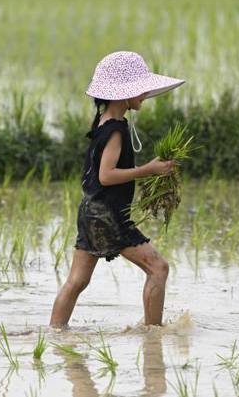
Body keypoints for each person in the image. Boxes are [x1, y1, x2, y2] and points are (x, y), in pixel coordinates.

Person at [50, 51, 184, 327]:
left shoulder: (104, 123)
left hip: (90, 210)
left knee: (77, 282)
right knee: (158, 268)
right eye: (140, 88)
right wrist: (150, 169)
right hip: (108, 214)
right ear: (124, 93)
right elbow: (107, 175)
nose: (145, 93)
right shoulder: (115, 131)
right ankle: (153, 337)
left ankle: (54, 334)